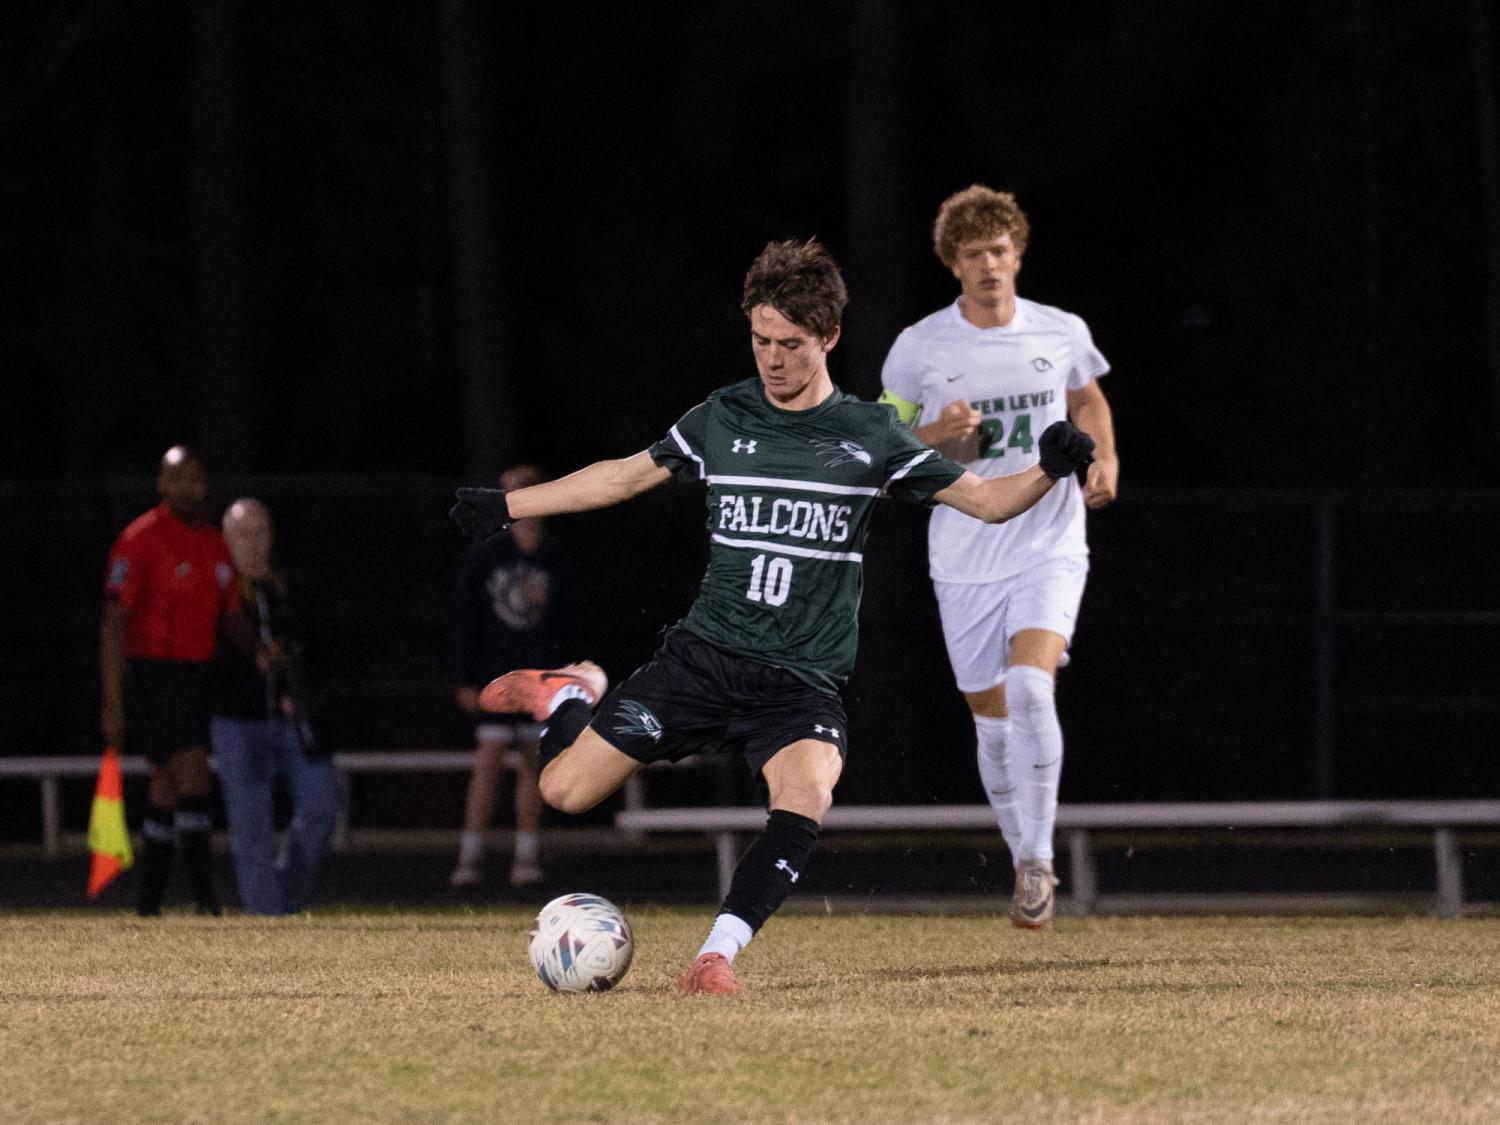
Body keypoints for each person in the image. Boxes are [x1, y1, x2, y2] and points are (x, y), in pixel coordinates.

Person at [449, 238, 1095, 993]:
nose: (773, 359)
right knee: (563, 792)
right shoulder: (724, 417)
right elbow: (622, 478)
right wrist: (507, 506)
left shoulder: (870, 436)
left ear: (829, 338)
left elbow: (988, 501)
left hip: (800, 680)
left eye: (791, 344)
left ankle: (715, 955)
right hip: (703, 659)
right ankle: (570, 694)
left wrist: (1050, 467)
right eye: (760, 341)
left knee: (808, 790)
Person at [878, 185, 1120, 929]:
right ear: (953, 262)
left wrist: (1105, 452)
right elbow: (882, 451)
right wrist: (941, 436)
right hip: (964, 551)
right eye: (974, 253)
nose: (989, 264)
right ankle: (1021, 857)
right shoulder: (919, 347)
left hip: (1049, 538)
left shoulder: (1059, 329)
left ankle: (1040, 859)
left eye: (1000, 250)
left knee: (1032, 688)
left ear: (1018, 254)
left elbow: (1087, 398)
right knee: (991, 723)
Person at [101, 446, 253, 916]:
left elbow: (229, 618)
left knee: (166, 787)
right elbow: (114, 622)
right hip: (155, 674)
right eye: (175, 478)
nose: (185, 487)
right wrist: (112, 701)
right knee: (194, 775)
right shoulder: (140, 539)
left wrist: (265, 647)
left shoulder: (213, 544)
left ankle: (148, 904)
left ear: (204, 484)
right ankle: (206, 900)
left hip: (197, 675)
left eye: (194, 478)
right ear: (161, 484)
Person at [447, 464, 577, 889]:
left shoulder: (556, 557)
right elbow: (466, 617)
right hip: (494, 676)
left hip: (540, 678)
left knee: (532, 762)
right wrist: (465, 677)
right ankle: (470, 856)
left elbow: (571, 623)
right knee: (487, 762)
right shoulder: (487, 554)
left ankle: (526, 855)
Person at [211, 498, 339, 915]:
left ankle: (284, 899)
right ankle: (268, 918)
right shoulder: (216, 595)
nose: (250, 543)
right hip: (238, 722)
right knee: (250, 831)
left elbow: (326, 650)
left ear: (272, 536)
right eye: (240, 534)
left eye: (258, 532)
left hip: (295, 722)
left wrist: (297, 673)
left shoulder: (294, 589)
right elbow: (203, 660)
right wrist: (252, 662)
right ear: (225, 539)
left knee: (321, 807)